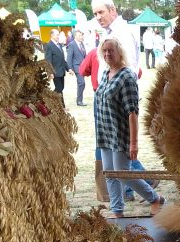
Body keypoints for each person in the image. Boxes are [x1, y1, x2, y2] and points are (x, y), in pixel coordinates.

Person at [94, 39, 164, 219]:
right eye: (105, 51)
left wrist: (133, 143)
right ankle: (118, 212)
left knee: (123, 174)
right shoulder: (106, 73)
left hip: (120, 135)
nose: (107, 54)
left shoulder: (127, 76)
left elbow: (132, 113)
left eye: (111, 50)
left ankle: (155, 198)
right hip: (105, 134)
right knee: (110, 174)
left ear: (119, 52)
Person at [92, 0, 139, 73]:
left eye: (101, 12)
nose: (98, 17)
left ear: (112, 10)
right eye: (95, 14)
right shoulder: (107, 32)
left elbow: (129, 69)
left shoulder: (123, 32)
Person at [67, 30, 88, 106]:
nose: (81, 37)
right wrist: (70, 68)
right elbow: (69, 57)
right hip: (76, 66)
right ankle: (79, 100)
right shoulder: (72, 44)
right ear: (75, 36)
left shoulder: (82, 44)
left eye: (81, 35)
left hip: (83, 67)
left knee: (80, 84)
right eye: (79, 35)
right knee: (82, 83)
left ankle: (79, 100)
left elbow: (84, 55)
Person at [45, 29, 68, 95]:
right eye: (57, 35)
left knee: (61, 88)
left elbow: (62, 59)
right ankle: (60, 102)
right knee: (59, 89)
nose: (58, 36)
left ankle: (51, 97)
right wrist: (50, 72)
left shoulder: (59, 45)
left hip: (61, 71)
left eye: (58, 35)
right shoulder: (49, 46)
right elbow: (48, 60)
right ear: (52, 35)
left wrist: (68, 68)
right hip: (55, 72)